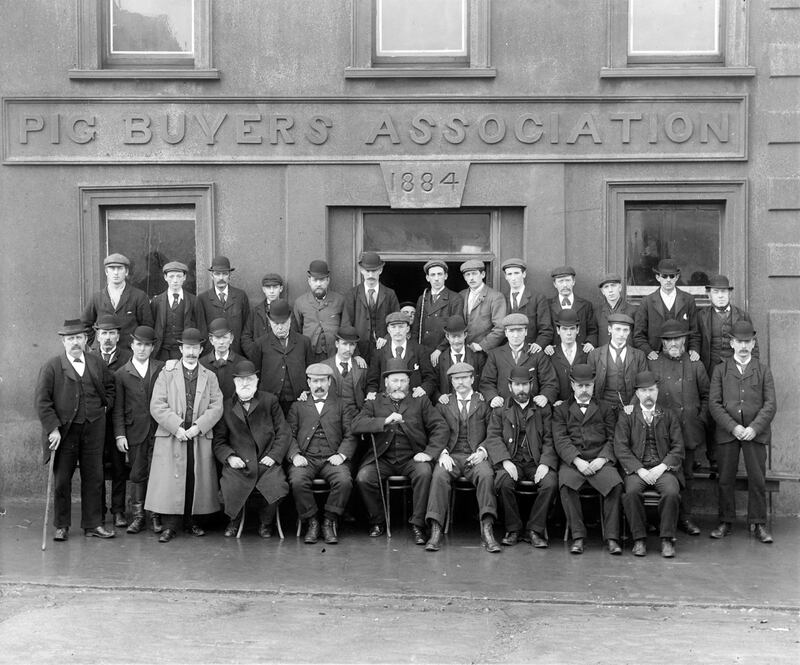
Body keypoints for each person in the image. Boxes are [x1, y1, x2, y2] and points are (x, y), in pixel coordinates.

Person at [35, 319, 116, 541]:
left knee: (94, 477)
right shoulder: (52, 366)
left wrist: (104, 407)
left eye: (79, 338)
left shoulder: (96, 362)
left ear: (85, 340)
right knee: (62, 480)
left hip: (93, 429)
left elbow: (110, 387)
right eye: (70, 339)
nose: (75, 342)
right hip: (64, 432)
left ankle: (93, 524)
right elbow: (42, 402)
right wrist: (53, 429)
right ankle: (62, 525)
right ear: (63, 341)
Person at [352, 358, 448, 541]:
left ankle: (418, 524)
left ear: (409, 382)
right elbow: (356, 424)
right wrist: (384, 421)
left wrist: (428, 453)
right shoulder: (374, 402)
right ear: (386, 383)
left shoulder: (420, 401)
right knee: (364, 478)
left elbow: (440, 427)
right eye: (394, 381)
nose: (399, 386)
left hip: (412, 458)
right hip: (383, 458)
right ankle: (378, 521)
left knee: (424, 473)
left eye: (403, 381)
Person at [146, 328, 224, 543]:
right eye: (187, 347)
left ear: (201, 350)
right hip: (174, 433)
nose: (191, 352)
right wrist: (177, 426)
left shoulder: (210, 376)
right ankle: (171, 526)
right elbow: (157, 405)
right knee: (172, 479)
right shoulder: (167, 373)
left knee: (194, 476)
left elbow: (217, 406)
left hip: (198, 433)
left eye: (195, 348)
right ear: (180, 349)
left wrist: (198, 427)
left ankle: (193, 522)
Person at [708, 321, 777, 544]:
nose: (744, 346)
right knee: (725, 478)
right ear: (732, 343)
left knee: (757, 479)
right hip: (729, 432)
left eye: (748, 342)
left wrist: (753, 428)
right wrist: (734, 427)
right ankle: (725, 521)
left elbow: (770, 404)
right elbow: (714, 404)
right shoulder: (720, 369)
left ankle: (758, 523)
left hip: (754, 433)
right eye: (739, 342)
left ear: (753, 343)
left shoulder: (763, 369)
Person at [425, 363, 500, 553]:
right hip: (451, 454)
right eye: (456, 379)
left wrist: (483, 451)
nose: (461, 382)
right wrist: (442, 453)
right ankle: (436, 529)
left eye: (465, 378)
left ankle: (487, 528)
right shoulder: (443, 404)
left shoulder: (483, 402)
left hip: (475, 455)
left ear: (472, 379)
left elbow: (493, 432)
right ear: (451, 381)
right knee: (439, 475)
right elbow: (435, 431)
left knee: (486, 475)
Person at [212, 360, 290, 539]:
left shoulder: (270, 401)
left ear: (256, 380)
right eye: (241, 380)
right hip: (239, 463)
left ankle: (266, 523)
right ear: (234, 382)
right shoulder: (226, 406)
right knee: (227, 490)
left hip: (266, 461)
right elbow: (219, 441)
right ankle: (234, 520)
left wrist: (274, 456)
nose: (245, 384)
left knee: (277, 487)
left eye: (249, 379)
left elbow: (283, 433)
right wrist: (230, 457)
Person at [483, 366, 559, 548]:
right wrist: (505, 461)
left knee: (550, 483)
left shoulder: (543, 409)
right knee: (503, 481)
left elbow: (550, 438)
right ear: (510, 387)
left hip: (535, 461)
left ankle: (535, 529)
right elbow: (493, 437)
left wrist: (545, 463)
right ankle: (513, 529)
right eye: (517, 385)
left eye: (525, 385)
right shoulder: (501, 409)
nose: (521, 389)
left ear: (531, 385)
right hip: (512, 460)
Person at [552, 364, 623, 555]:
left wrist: (602, 459)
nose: (585, 390)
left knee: (615, 484)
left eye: (588, 386)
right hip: (575, 462)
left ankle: (612, 538)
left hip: (600, 460)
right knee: (566, 484)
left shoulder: (606, 408)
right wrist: (577, 461)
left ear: (594, 385)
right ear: (573, 385)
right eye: (581, 386)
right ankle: (578, 536)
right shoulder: (561, 410)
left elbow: (613, 438)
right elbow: (561, 440)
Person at [648, 320, 709, 536]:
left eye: (677, 338)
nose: (673, 343)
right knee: (663, 476)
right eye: (669, 339)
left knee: (688, 476)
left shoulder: (695, 364)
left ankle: (685, 518)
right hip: (662, 433)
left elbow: (707, 396)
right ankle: (658, 520)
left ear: (684, 340)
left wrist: (699, 420)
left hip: (689, 430)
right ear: (663, 343)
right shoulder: (653, 364)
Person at [614, 371, 685, 558]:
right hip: (638, 470)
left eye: (652, 390)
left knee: (671, 492)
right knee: (630, 493)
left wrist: (662, 467)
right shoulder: (627, 416)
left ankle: (667, 539)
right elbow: (621, 448)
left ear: (657, 391)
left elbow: (678, 447)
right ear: (637, 393)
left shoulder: (668, 415)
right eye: (644, 391)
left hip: (663, 469)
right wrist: (640, 470)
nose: (648, 395)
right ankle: (639, 539)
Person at [286, 363, 356, 544]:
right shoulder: (297, 406)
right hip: (306, 458)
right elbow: (288, 435)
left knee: (344, 481)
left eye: (322, 381)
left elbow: (351, 435)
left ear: (329, 382)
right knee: (297, 481)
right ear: (308, 383)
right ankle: (312, 521)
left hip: (332, 457)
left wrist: (341, 455)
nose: (319, 385)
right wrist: (295, 455)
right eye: (315, 381)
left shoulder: (342, 405)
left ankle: (329, 521)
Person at [697, 274, 758, 470]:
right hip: (710, 370)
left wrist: (753, 368)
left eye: (724, 292)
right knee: (711, 409)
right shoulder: (702, 316)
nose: (720, 296)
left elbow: (752, 345)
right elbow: (696, 343)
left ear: (729, 294)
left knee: (733, 409)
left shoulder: (742, 316)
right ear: (709, 295)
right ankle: (713, 457)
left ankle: (730, 459)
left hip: (735, 371)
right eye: (716, 292)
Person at [112, 325, 164, 534]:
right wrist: (120, 434)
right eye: (138, 344)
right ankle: (138, 516)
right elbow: (118, 409)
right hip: (135, 432)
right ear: (132, 345)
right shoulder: (121, 374)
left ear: (153, 348)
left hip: (160, 430)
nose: (142, 349)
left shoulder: (162, 368)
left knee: (158, 473)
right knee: (137, 473)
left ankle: (156, 516)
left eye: (147, 345)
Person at [89, 314, 132, 528]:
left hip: (118, 422)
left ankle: (118, 511)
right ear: (97, 336)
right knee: (95, 468)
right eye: (104, 333)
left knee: (118, 467)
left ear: (118, 336)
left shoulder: (127, 358)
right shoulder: (88, 357)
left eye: (112, 333)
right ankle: (98, 512)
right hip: (94, 424)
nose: (107, 338)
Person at [479, 313, 558, 408]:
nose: (515, 335)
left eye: (520, 331)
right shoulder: (495, 354)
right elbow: (487, 382)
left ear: (526, 332)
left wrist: (545, 396)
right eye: (511, 331)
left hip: (531, 410)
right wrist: (493, 397)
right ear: (506, 333)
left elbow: (550, 382)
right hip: (504, 409)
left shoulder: (537, 354)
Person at [633, 259, 700, 361]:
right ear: (658, 277)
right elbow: (638, 335)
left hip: (681, 356)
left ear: (677, 277)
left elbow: (695, 332)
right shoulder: (647, 302)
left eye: (672, 276)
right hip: (655, 357)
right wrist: (648, 351)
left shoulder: (688, 300)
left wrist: (694, 349)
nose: (668, 280)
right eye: (664, 276)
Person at [82, 253, 153, 349]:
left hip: (129, 353)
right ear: (106, 272)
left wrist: (136, 346)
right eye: (112, 268)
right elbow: (84, 324)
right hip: (103, 353)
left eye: (120, 268)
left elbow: (146, 326)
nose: (116, 272)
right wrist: (95, 344)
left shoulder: (139, 296)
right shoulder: (97, 297)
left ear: (126, 272)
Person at [342, 251, 400, 362]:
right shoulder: (352, 294)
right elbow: (346, 325)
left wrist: (387, 337)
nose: (370, 275)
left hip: (384, 349)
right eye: (367, 271)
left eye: (374, 271)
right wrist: (356, 354)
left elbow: (397, 321)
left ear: (380, 270)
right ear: (361, 271)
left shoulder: (389, 294)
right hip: (359, 350)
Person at [586, 312, 648, 415]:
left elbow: (643, 384)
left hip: (629, 408)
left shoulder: (639, 355)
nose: (621, 334)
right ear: (609, 329)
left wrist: (632, 404)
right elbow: (589, 383)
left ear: (629, 332)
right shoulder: (595, 355)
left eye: (625, 330)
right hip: (602, 408)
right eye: (617, 329)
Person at [365, 312, 436, 400]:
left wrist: (423, 389)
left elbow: (430, 378)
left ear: (407, 329)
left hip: (414, 402)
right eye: (393, 327)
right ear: (388, 330)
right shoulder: (379, 353)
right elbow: (372, 382)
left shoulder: (420, 350)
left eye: (401, 327)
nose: (397, 331)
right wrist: (372, 394)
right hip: (386, 404)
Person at [410, 259, 464, 364]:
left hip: (443, 351)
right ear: (427, 278)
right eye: (433, 275)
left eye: (439, 274)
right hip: (423, 351)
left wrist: (440, 349)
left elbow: (455, 329)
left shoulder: (455, 298)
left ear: (446, 276)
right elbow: (416, 327)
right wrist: (415, 349)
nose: (436, 278)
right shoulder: (423, 298)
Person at [195, 256, 251, 356]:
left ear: (229, 276)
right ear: (212, 276)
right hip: (212, 355)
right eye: (217, 274)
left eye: (225, 274)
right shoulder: (202, 299)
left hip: (236, 354)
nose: (221, 278)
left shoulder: (240, 296)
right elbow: (202, 331)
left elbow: (247, 327)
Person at [293, 259, 345, 362]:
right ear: (309, 281)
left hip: (334, 355)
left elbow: (346, 328)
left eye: (322, 280)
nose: (318, 284)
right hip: (309, 355)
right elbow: (296, 331)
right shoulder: (300, 302)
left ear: (328, 280)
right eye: (315, 280)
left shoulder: (340, 300)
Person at [501, 258, 554, 353]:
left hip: (531, 351)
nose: (513, 278)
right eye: (509, 274)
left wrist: (539, 344)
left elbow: (546, 329)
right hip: (507, 353)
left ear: (524, 274)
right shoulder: (501, 299)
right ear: (505, 276)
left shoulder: (538, 298)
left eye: (517, 273)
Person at [545, 265, 597, 355]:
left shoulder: (586, 305)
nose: (565, 285)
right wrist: (546, 345)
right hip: (554, 354)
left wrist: (590, 342)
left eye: (568, 280)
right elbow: (544, 329)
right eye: (561, 281)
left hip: (580, 353)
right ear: (555, 284)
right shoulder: (547, 305)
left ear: (573, 282)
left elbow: (593, 330)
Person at [151, 261, 197, 361]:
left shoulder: (193, 301)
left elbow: (200, 326)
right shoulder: (157, 301)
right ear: (165, 277)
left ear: (184, 277)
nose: (175, 280)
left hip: (184, 353)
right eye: (171, 276)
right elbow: (152, 325)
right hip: (161, 352)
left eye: (179, 276)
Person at [459, 259, 507, 355]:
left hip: (484, 352)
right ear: (464, 278)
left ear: (483, 275)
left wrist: (482, 345)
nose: (471, 278)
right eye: (468, 275)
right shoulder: (461, 295)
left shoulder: (496, 297)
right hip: (463, 351)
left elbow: (500, 327)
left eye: (474, 274)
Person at [432, 316, 484, 403]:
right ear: (447, 337)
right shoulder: (440, 359)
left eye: (459, 336)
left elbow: (484, 381)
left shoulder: (477, 356)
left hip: (473, 405)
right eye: (453, 337)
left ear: (465, 335)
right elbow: (433, 383)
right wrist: (439, 396)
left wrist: (482, 394)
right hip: (448, 407)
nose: (456, 341)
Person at [241, 273, 298, 352]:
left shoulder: (289, 311)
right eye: (268, 287)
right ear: (263, 289)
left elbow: (295, 335)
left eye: (275, 287)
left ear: (281, 288)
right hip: (260, 357)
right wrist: (254, 354)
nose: (272, 291)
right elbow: (246, 337)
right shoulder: (255, 312)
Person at [321, 326, 368, 411]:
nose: (348, 349)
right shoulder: (324, 367)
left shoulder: (361, 367)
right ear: (337, 344)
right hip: (332, 415)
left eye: (352, 345)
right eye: (344, 344)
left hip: (355, 415)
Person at [200, 318, 246, 401]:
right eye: (217, 338)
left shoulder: (242, 364)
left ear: (231, 339)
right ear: (211, 340)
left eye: (225, 337)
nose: (221, 342)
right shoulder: (202, 364)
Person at [548, 310, 588, 405]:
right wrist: (555, 401)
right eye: (564, 329)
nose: (569, 333)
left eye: (572, 328)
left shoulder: (586, 353)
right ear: (558, 330)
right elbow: (549, 383)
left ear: (577, 330)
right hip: (558, 406)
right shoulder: (551, 354)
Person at [595, 273, 637, 349]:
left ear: (620, 287)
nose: (610, 290)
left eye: (613, 285)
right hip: (604, 356)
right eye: (606, 287)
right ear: (602, 291)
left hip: (626, 356)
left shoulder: (633, 310)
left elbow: (637, 337)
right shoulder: (597, 312)